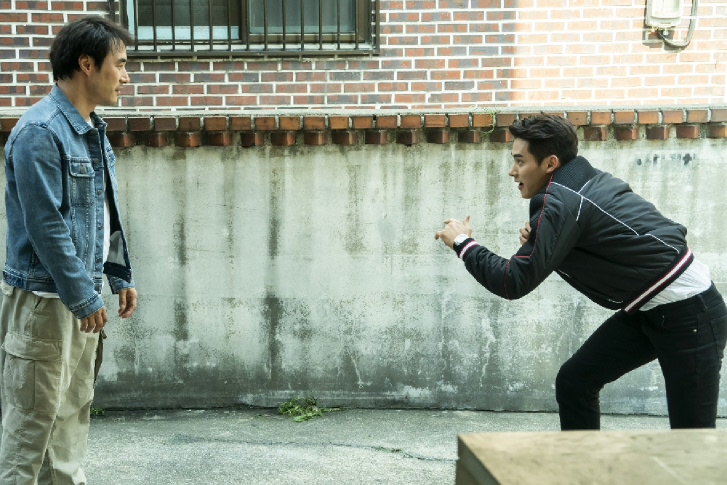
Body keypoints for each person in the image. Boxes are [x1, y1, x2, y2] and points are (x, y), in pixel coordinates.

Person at [435, 114, 727, 430]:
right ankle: (582, 462)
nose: (512, 171)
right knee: (575, 381)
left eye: (520, 161)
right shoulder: (580, 182)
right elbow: (611, 237)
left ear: (550, 163)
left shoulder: (561, 199)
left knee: (692, 438)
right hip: (649, 310)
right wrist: (548, 242)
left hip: (692, 314)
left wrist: (463, 243)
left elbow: (512, 281)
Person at [0, 16, 137, 483]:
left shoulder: (91, 128)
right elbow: (46, 226)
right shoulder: (40, 131)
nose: (126, 76)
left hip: (81, 298)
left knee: (69, 425)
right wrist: (83, 294)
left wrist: (118, 274)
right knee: (30, 433)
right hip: (45, 302)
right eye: (120, 64)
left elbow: (104, 212)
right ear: (87, 64)